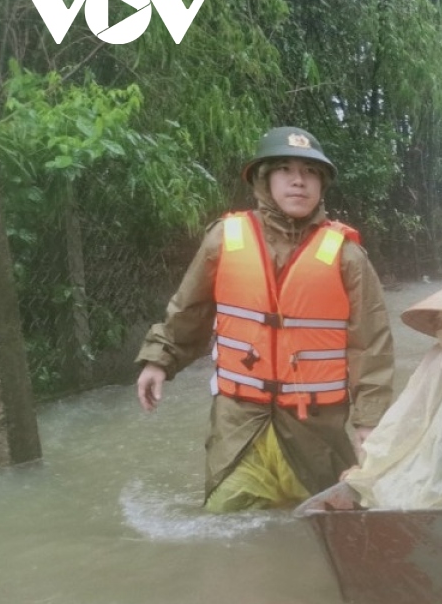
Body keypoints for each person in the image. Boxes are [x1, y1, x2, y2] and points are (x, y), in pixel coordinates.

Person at [135, 126, 395, 512]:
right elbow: (190, 308)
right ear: (264, 179)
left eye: (310, 172)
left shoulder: (346, 256)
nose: (298, 181)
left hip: (315, 429)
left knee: (329, 524)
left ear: (321, 184)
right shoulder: (225, 238)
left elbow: (371, 344)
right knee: (226, 526)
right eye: (286, 169)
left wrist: (368, 421)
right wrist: (159, 359)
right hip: (239, 423)